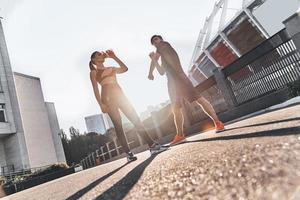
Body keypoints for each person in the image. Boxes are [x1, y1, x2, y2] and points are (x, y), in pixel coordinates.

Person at [89, 50, 168, 162]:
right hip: (107, 97)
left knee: (135, 119)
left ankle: (152, 145)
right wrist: (101, 104)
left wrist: (114, 57)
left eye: (102, 54)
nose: (102, 54)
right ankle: (128, 153)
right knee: (118, 126)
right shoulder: (94, 72)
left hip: (119, 93)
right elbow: (95, 89)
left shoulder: (111, 68)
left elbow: (125, 69)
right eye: (99, 54)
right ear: (94, 60)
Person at [148, 35, 225, 145]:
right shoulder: (164, 59)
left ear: (161, 39)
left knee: (195, 101)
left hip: (177, 80)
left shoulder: (163, 45)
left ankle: (216, 123)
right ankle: (182, 135)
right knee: (178, 108)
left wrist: (150, 70)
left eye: (156, 39)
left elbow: (155, 58)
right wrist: (153, 65)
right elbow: (161, 72)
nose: (155, 42)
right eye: (153, 42)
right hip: (175, 81)